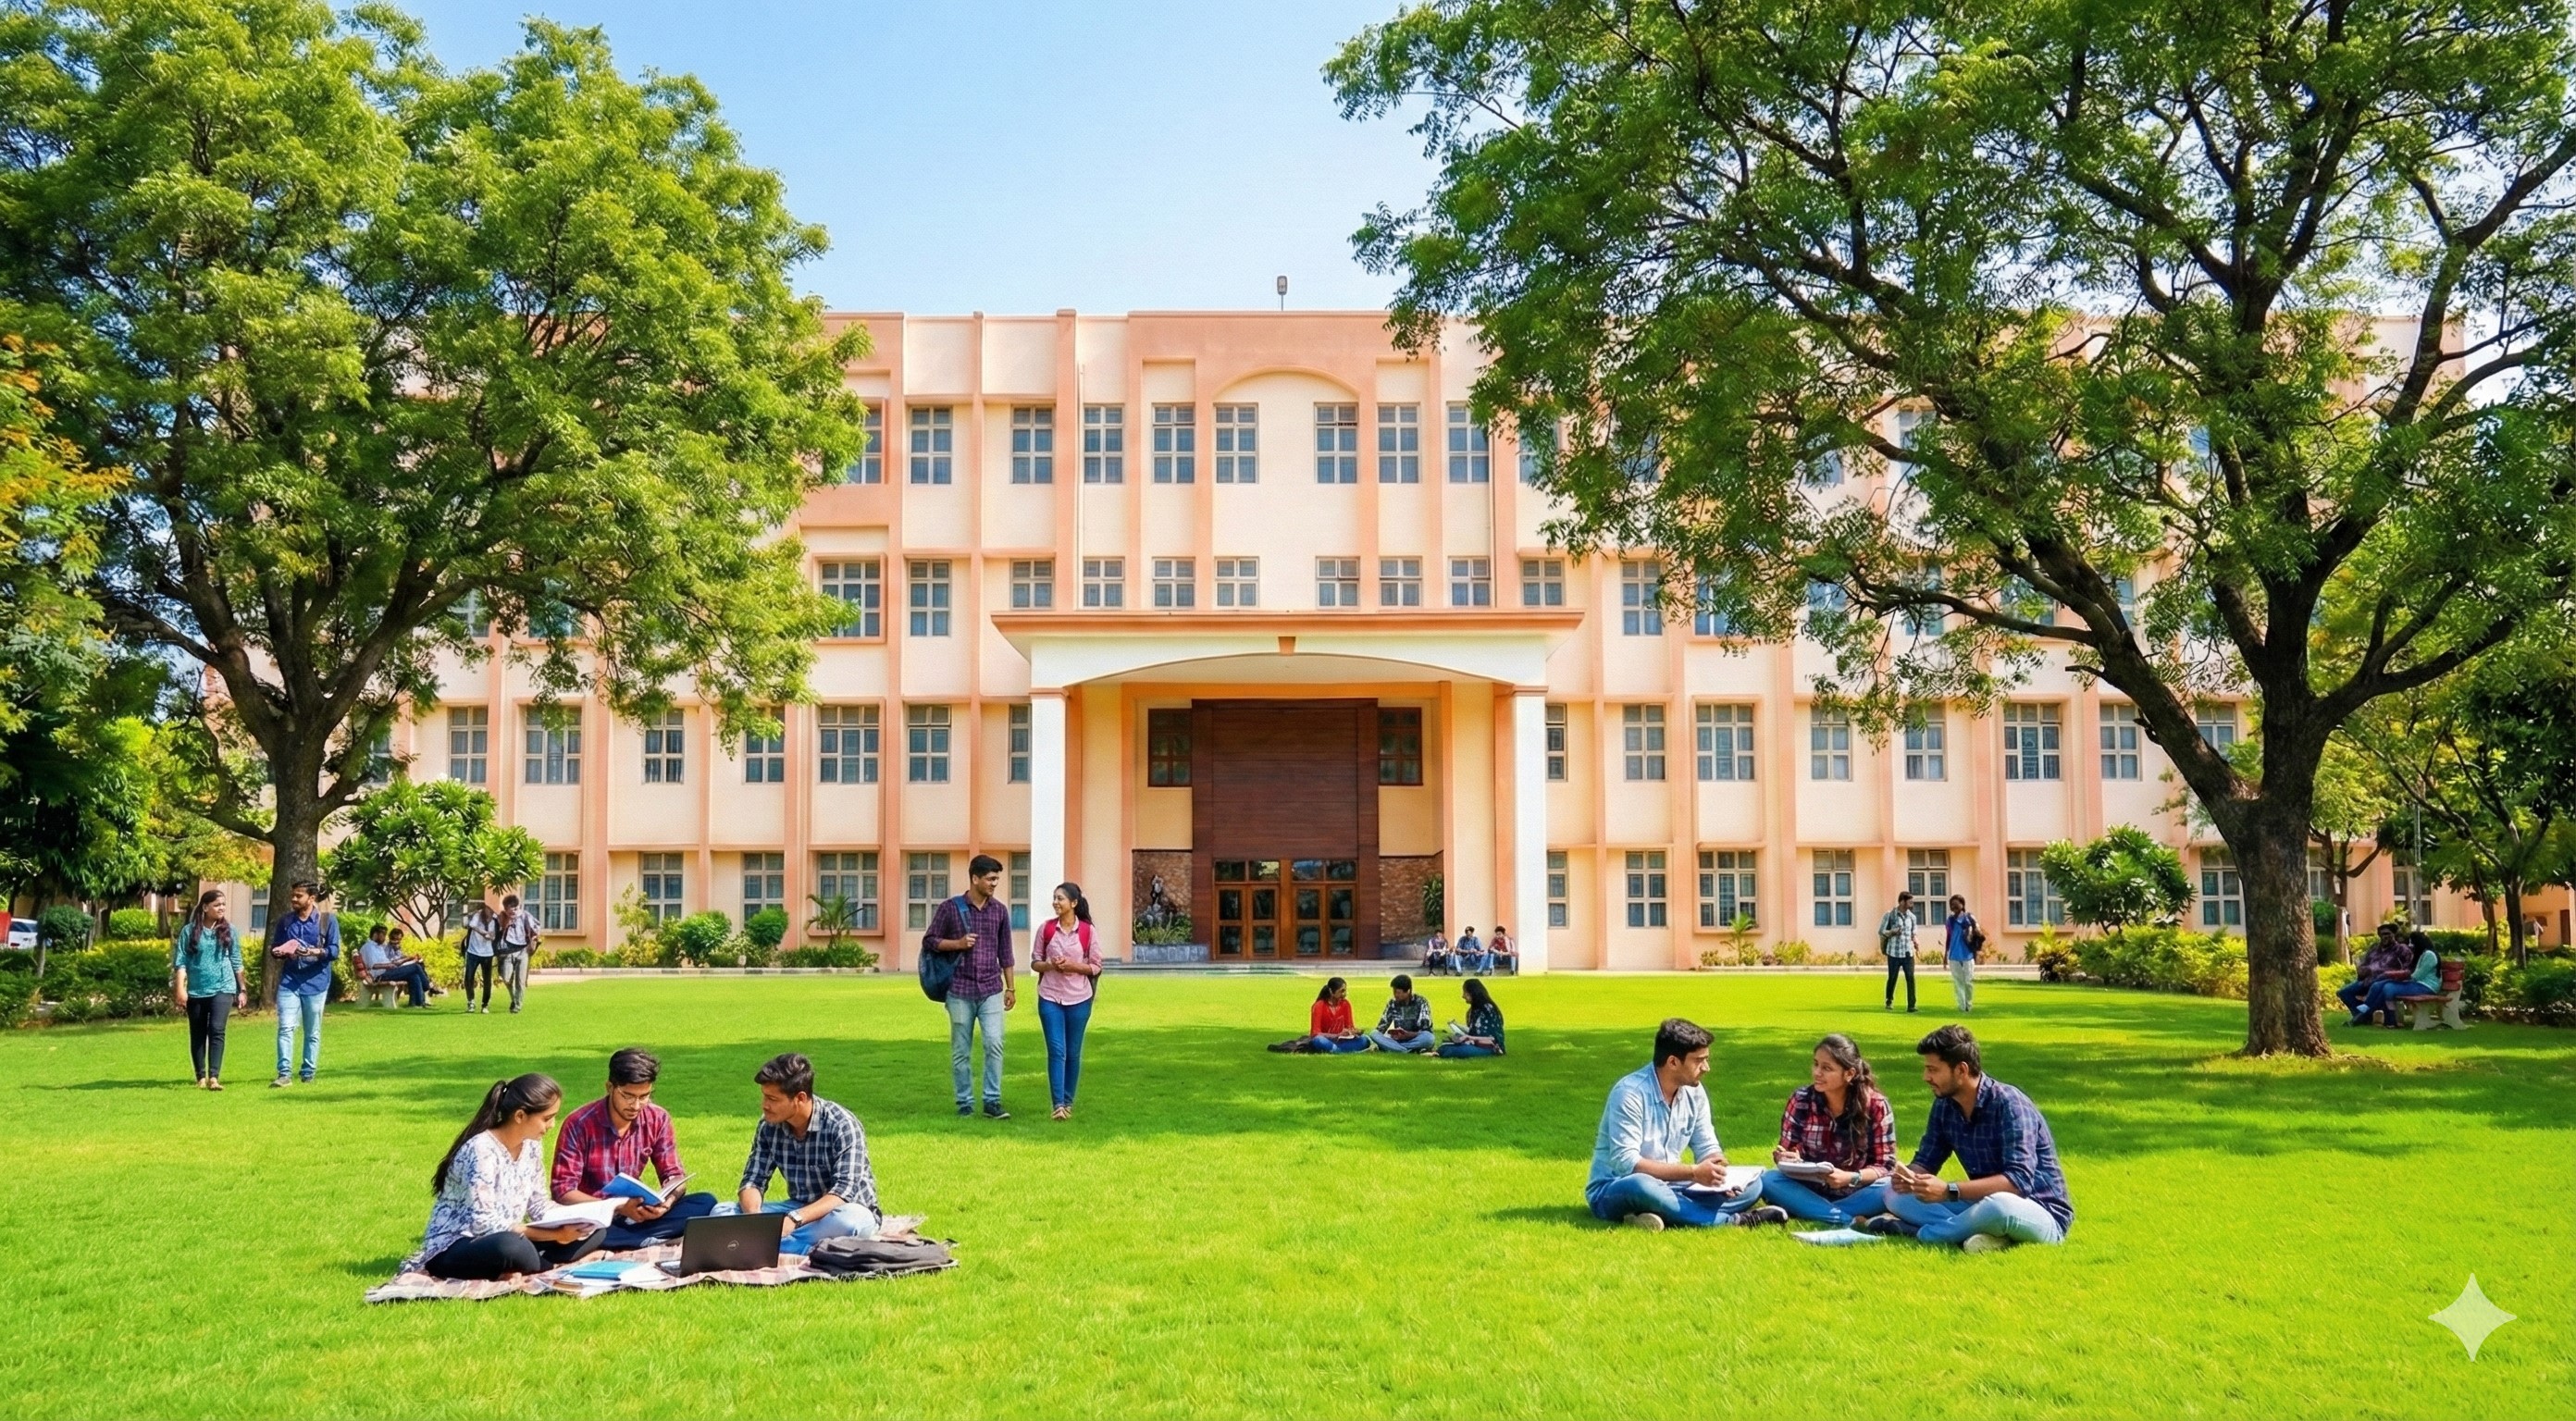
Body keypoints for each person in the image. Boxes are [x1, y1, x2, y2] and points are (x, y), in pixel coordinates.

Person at [1862, 1025, 2073, 1251]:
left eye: (1933, 1070)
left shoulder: (2010, 1104)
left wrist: (1949, 1190)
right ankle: (1978, 1233)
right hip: (1980, 1202)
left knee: (1998, 1207)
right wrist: (1909, 1179)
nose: (1926, 1077)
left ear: (1961, 1070)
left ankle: (1920, 1233)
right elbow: (1926, 1160)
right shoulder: (1945, 1106)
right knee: (1895, 1195)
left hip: (2037, 1209)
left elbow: (2018, 1182)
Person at [1585, 1018, 1787, 1229]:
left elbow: (1707, 1146)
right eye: (1699, 1061)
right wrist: (1693, 1173)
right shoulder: (1629, 1094)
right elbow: (1627, 1164)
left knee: (1753, 1186)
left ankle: (1660, 1213)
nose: (1706, 1068)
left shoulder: (1694, 1092)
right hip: (1616, 1188)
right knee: (1641, 1185)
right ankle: (1735, 1221)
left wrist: (1719, 1174)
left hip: (1674, 1187)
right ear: (1673, 1062)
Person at [403, 1073, 605, 1280]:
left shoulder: (532, 1145)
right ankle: (548, 1265)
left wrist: (578, 1218)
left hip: (512, 1234)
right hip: (461, 1244)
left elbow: (538, 1204)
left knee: (596, 1230)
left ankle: (529, 1265)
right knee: (511, 1247)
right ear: (520, 1116)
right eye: (546, 1118)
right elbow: (484, 1223)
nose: (552, 1124)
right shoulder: (482, 1150)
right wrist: (557, 1235)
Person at [549, 1047, 720, 1250]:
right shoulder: (579, 1124)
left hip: (636, 1215)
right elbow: (563, 1191)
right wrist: (617, 1207)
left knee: (705, 1202)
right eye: (628, 1096)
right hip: (594, 1216)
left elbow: (674, 1174)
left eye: (644, 1096)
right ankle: (644, 1240)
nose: (636, 1105)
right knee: (576, 1231)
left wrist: (667, 1202)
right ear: (610, 1087)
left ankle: (625, 1241)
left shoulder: (658, 1118)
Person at [723, 1052, 883, 1253]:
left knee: (850, 1223)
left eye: (772, 1099)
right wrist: (755, 1218)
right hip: (797, 1208)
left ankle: (762, 1245)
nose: (764, 1105)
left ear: (800, 1098)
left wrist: (794, 1219)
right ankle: (804, 1248)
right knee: (721, 1212)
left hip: (842, 1210)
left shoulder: (842, 1125)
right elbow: (753, 1180)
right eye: (764, 1096)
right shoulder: (768, 1126)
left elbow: (843, 1191)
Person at [1759, 1033, 1897, 1226]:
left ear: (1849, 1074)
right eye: (1815, 1064)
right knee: (1768, 1179)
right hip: (1808, 1189)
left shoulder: (1876, 1105)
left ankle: (1815, 1211)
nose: (1817, 1073)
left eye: (1826, 1068)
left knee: (1892, 1187)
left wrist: (1851, 1178)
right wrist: (1786, 1158)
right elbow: (1787, 1150)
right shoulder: (1801, 1100)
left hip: (1858, 1190)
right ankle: (1846, 1218)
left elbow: (1886, 1166)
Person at [923, 853, 1016, 1118]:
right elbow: (930, 941)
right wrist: (958, 944)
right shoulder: (950, 908)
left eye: (997, 879)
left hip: (991, 989)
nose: (994, 883)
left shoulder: (999, 911)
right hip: (960, 990)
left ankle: (992, 1101)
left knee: (994, 1044)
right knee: (961, 1051)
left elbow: (1006, 953)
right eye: (990, 879)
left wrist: (1011, 988)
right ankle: (964, 1103)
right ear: (975, 879)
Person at [1032, 881, 1102, 1120]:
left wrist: (1073, 966)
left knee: (1072, 1053)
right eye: (1054, 898)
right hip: (1050, 997)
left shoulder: (1087, 931)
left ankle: (1068, 1102)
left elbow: (1096, 966)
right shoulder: (1046, 929)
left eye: (1060, 898)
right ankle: (1058, 1105)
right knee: (1056, 1050)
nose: (1055, 902)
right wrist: (1051, 965)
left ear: (1073, 903)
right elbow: (1035, 962)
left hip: (1079, 999)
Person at [169, 888, 247, 1090]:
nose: (221, 908)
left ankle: (214, 1077)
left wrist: (242, 989)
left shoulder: (230, 931)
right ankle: (200, 1077)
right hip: (197, 989)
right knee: (198, 1033)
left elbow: (237, 961)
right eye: (217, 905)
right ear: (205, 907)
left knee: (217, 1029)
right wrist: (180, 989)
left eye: (223, 905)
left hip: (223, 987)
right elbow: (181, 962)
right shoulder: (189, 932)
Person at [265, 880, 339, 1087]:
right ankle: (284, 1074)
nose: (294, 899)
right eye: (293, 895)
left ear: (311, 898)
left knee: (312, 1031)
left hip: (316, 983)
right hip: (290, 982)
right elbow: (275, 947)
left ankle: (308, 1072)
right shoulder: (286, 922)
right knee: (285, 1027)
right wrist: (279, 951)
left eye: (299, 896)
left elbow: (334, 951)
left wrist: (313, 951)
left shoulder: (327, 921)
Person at [2362, 930, 2445, 1027]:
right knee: (2380, 985)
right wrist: (2399, 976)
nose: (2410, 945)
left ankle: (2369, 1014)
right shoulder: (2423, 954)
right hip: (2418, 984)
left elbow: (2417, 976)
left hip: (2427, 987)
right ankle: (2368, 1013)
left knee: (2389, 988)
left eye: (2412, 943)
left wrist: (2400, 976)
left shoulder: (2429, 955)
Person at [2338, 924, 2411, 1020]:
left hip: (2385, 982)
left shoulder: (2401, 949)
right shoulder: (2374, 949)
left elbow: (2407, 968)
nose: (2385, 936)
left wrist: (2390, 974)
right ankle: (2362, 1016)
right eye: (2382, 934)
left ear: (2394, 934)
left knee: (2375, 991)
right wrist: (2362, 970)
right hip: (2367, 980)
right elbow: (2364, 964)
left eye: (2387, 934)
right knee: (2343, 993)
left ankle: (2361, 1017)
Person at [356, 923, 432, 1008]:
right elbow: (373, 966)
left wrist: (396, 963)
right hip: (380, 975)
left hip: (387, 972)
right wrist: (389, 965)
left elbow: (387, 961)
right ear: (376, 934)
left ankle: (416, 1004)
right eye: (383, 934)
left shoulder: (378, 947)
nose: (385, 937)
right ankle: (428, 987)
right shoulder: (369, 947)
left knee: (414, 975)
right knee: (415, 967)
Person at [492, 894, 539, 1014]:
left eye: (516, 908)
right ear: (506, 909)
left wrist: (533, 941)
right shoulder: (502, 918)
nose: (513, 911)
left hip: (522, 951)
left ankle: (517, 1005)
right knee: (506, 978)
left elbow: (536, 929)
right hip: (507, 952)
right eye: (510, 909)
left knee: (520, 981)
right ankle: (514, 998)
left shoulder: (525, 916)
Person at [1435, 978, 1506, 1057]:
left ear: (1472, 993)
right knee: (1444, 1047)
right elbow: (1474, 1031)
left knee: (1453, 1051)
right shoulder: (1474, 1010)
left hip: (1489, 1047)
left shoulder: (1487, 1009)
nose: (1463, 996)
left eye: (1465, 992)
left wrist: (1468, 1037)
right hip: (1474, 1044)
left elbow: (1492, 1038)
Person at [1368, 975, 1439, 1053]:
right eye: (1394, 992)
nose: (1396, 995)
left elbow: (1426, 1029)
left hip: (1415, 1038)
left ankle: (1397, 1048)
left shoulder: (1421, 1002)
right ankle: (1407, 1050)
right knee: (1374, 1034)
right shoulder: (1392, 1003)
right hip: (1397, 1039)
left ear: (1408, 991)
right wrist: (1393, 1033)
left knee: (1429, 1038)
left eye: (1398, 992)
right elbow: (1382, 1026)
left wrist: (1408, 1034)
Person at [1306, 977, 1371, 1053]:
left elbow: (1349, 1027)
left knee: (1364, 1039)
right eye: (1342, 991)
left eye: (1345, 991)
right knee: (1318, 1040)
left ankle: (1336, 1050)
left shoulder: (1346, 1004)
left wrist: (1354, 1032)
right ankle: (1343, 1051)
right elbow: (1315, 1033)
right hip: (1327, 1040)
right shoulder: (1319, 1005)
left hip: (1341, 1041)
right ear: (1331, 991)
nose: (1345, 994)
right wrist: (1336, 1035)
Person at [1879, 891, 1918, 1012]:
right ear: (1902, 902)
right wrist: (1892, 932)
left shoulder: (1912, 917)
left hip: (1908, 952)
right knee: (1892, 977)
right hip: (1894, 953)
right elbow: (1881, 931)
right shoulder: (1890, 915)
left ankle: (1911, 1005)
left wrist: (1916, 941)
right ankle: (1889, 1000)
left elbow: (1913, 933)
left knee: (1910, 977)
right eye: (1910, 902)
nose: (1912, 904)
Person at [1944, 895, 1982, 1014]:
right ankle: (1962, 1006)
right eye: (1951, 905)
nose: (1953, 906)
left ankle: (1968, 1005)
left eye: (1956, 904)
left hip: (1967, 955)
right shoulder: (1950, 920)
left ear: (1962, 904)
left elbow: (1978, 933)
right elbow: (1948, 937)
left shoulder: (1969, 918)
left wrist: (1971, 930)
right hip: (1954, 955)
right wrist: (1945, 954)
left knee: (1968, 982)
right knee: (1958, 982)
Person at [460, 900, 499, 1013]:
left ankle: (485, 1004)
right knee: (468, 977)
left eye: (492, 910)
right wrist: (483, 932)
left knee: (487, 980)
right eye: (488, 909)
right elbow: (472, 925)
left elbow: (495, 935)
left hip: (487, 953)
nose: (489, 912)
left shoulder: (495, 919)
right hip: (473, 951)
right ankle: (471, 1002)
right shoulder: (478, 915)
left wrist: (491, 936)